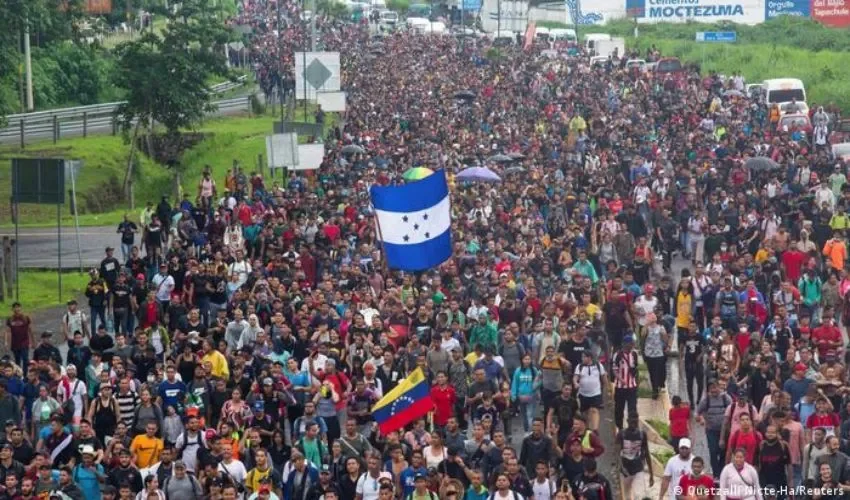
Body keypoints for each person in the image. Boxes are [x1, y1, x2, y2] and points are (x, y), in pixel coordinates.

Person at [617, 414, 652, 500]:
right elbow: (617, 453)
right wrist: (621, 466)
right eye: (632, 422)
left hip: (638, 469)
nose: (634, 424)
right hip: (625, 470)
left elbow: (647, 453)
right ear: (627, 421)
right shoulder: (621, 434)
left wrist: (651, 474)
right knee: (627, 495)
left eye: (635, 422)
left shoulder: (642, 434)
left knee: (639, 495)